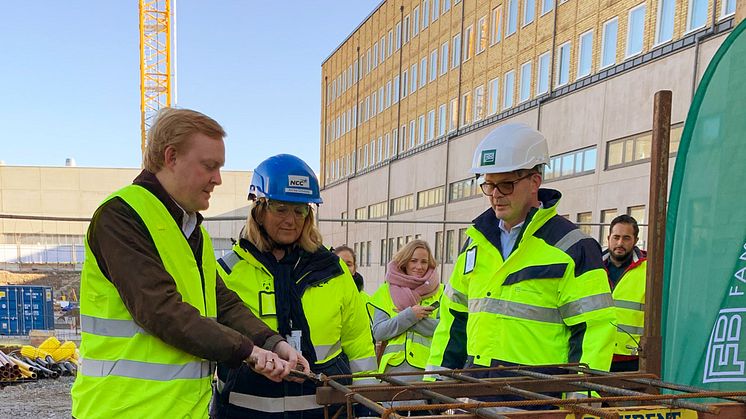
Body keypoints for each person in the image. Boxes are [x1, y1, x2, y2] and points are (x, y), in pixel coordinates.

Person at [71, 108, 306, 419]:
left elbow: (223, 303)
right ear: (171, 157)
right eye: (209, 166)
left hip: (179, 411)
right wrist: (248, 352)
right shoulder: (122, 217)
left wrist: (273, 343)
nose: (217, 179)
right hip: (123, 410)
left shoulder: (192, 230)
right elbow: (161, 311)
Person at [426, 123, 616, 405]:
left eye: (506, 184)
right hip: (477, 392)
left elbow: (594, 330)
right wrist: (435, 387)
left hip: (540, 397)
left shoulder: (572, 247)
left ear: (535, 181)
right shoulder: (475, 244)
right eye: (488, 185)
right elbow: (453, 320)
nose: (495, 194)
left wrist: (582, 403)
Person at [211, 154, 377, 418]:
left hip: (326, 410)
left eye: (299, 210)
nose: (291, 219)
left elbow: (358, 342)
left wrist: (368, 405)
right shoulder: (227, 272)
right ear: (259, 210)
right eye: (281, 209)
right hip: (244, 411)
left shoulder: (333, 271)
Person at [370, 239, 443, 380]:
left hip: (428, 371)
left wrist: (406, 318)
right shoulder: (386, 291)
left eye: (424, 262)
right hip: (392, 371)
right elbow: (379, 332)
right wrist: (410, 315)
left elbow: (442, 330)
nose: (419, 266)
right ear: (404, 262)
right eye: (413, 261)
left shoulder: (442, 292)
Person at [603, 214, 647, 372]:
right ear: (608, 238)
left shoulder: (648, 269)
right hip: (598, 353)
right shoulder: (593, 266)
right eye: (616, 237)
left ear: (635, 240)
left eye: (626, 238)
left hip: (632, 358)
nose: (620, 243)